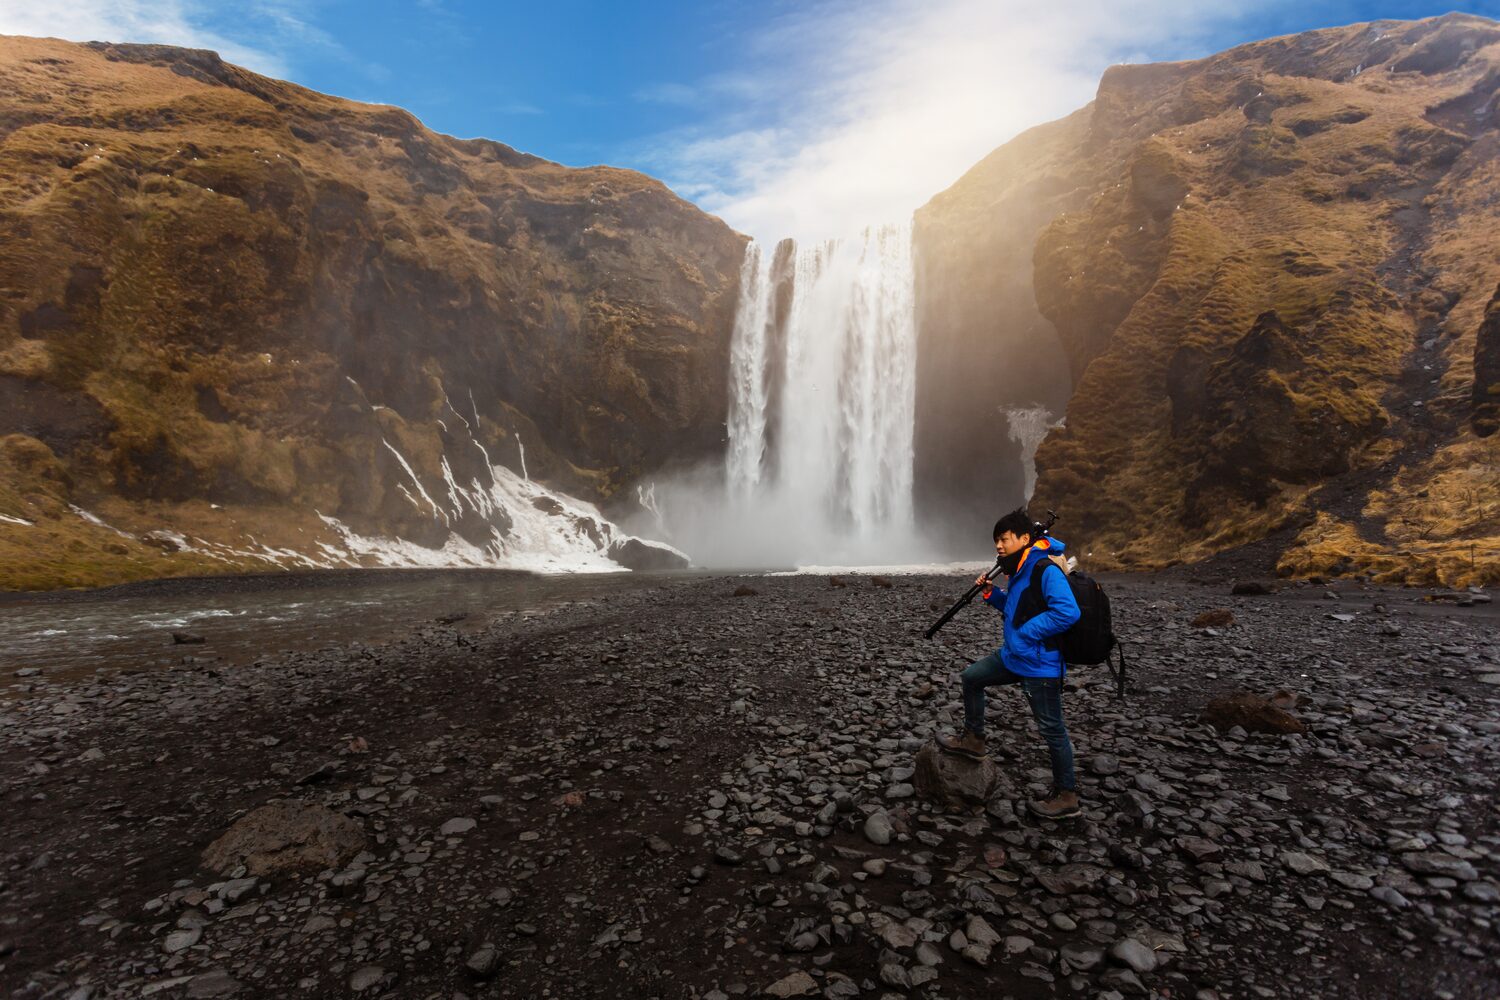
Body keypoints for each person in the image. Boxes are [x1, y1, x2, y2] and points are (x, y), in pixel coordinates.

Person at [937, 508, 1083, 819]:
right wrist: (993, 595)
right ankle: (974, 740)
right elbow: (1019, 610)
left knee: (1052, 730)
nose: (998, 547)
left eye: (1004, 539)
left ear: (1025, 538)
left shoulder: (1045, 569)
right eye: (996, 542)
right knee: (971, 678)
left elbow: (1068, 612)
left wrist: (1026, 636)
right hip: (1015, 657)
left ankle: (1066, 795)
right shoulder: (1019, 569)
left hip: (1040, 664)